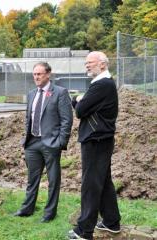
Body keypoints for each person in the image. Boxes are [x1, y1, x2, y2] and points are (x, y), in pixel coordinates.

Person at [68, 51, 121, 240]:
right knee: (104, 181)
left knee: (90, 184)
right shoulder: (103, 83)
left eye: (90, 62)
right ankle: (111, 222)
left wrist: (76, 100)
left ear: (103, 65)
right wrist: (81, 101)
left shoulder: (101, 84)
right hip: (101, 139)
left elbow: (80, 111)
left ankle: (84, 231)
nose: (87, 65)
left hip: (96, 139)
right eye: (86, 63)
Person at [14, 62, 73, 223]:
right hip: (32, 143)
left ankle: (49, 213)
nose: (36, 77)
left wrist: (61, 142)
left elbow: (67, 120)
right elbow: (28, 118)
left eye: (39, 74)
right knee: (32, 179)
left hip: (51, 144)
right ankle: (27, 208)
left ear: (48, 74)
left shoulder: (60, 93)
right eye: (34, 74)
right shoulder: (32, 94)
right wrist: (25, 139)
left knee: (53, 180)